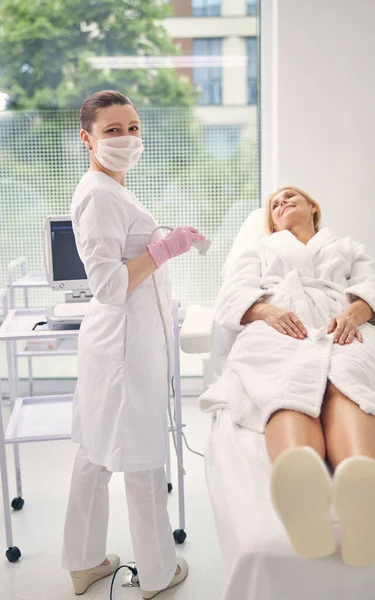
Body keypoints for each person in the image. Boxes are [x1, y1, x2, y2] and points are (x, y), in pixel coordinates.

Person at [199, 185, 375, 568]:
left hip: (341, 321)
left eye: (291, 197)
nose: (282, 202)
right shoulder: (258, 250)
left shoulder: (346, 246)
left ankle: (361, 488)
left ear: (313, 207)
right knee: (283, 384)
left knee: (348, 380)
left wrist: (353, 315)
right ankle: (302, 485)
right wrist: (265, 313)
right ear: (270, 222)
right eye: (275, 204)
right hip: (278, 323)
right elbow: (231, 297)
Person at [62, 90, 205, 597]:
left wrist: (162, 247)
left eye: (133, 127)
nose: (126, 138)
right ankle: (158, 573)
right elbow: (108, 285)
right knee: (143, 459)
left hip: (117, 346)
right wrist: (166, 249)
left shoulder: (109, 188)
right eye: (112, 130)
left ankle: (84, 561)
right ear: (87, 139)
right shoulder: (99, 193)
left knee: (95, 452)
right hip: (124, 349)